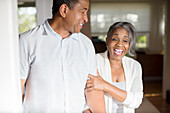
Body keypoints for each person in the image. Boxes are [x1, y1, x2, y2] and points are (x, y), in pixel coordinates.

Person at [19, 0, 105, 112]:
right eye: (82, 12)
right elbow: (16, 90)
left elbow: (92, 89)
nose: (86, 19)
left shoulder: (86, 44)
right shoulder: (27, 41)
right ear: (64, 10)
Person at [86, 22, 143, 113]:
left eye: (125, 41)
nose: (119, 44)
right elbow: (83, 97)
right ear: (107, 41)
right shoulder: (95, 61)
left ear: (129, 44)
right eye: (115, 39)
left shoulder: (134, 66)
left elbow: (136, 101)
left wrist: (105, 85)